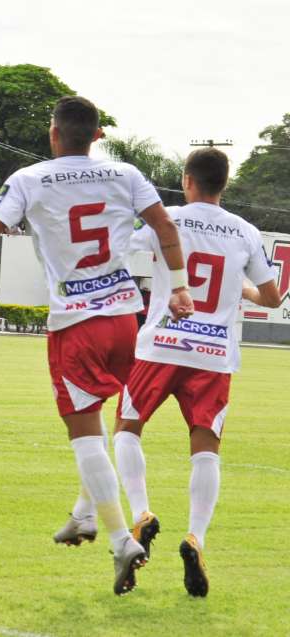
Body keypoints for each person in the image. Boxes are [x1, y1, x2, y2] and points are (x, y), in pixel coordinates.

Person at [0, 95, 194, 595]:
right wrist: (179, 286)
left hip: (76, 322)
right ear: (96, 136)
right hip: (124, 318)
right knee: (97, 417)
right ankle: (83, 513)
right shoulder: (127, 173)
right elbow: (164, 227)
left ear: (54, 133)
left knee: (84, 434)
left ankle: (121, 540)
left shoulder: (30, 178)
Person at [115, 148, 281, 598]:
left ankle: (143, 513)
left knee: (127, 429)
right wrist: (237, 286)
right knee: (205, 445)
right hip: (213, 354)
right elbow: (271, 298)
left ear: (187, 179)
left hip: (162, 344)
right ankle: (196, 537)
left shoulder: (165, 218)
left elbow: (118, 249)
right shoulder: (245, 231)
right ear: (223, 184)